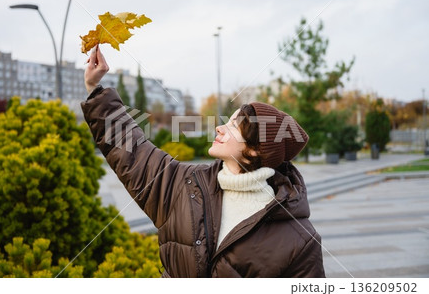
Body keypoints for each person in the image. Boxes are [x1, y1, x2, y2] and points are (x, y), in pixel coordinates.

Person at [81, 45, 325, 278]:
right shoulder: (185, 185)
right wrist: (95, 89)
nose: (220, 128)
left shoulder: (300, 240)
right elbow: (133, 152)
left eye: (233, 127)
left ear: (253, 151)